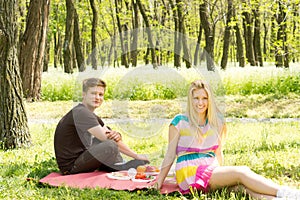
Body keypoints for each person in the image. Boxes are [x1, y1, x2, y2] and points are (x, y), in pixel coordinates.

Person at [155, 80, 300, 199]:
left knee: (240, 188)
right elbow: (169, 154)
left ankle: (275, 199)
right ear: (190, 99)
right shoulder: (179, 122)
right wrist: (159, 182)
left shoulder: (217, 122)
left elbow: (218, 152)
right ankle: (286, 193)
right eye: (196, 98)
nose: (200, 103)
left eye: (204, 98)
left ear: (209, 100)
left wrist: (223, 173)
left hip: (211, 169)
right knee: (241, 172)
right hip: (189, 172)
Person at [54, 78, 149, 175]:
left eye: (100, 95)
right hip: (70, 167)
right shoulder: (81, 113)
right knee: (110, 144)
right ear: (84, 94)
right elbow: (106, 138)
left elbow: (107, 132)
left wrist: (117, 134)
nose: (97, 97)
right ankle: (120, 166)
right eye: (93, 93)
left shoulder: (88, 114)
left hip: (82, 157)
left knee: (109, 135)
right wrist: (136, 156)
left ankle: (118, 164)